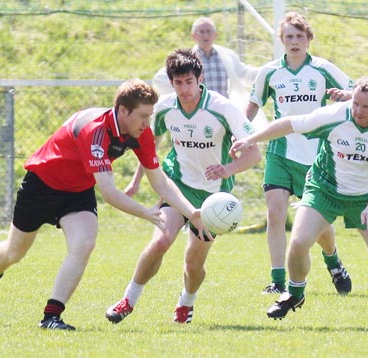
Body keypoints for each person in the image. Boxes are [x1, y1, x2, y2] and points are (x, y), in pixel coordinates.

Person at [0, 79, 212, 331]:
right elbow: (109, 192)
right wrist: (147, 213)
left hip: (77, 190)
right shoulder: (95, 130)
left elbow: (160, 182)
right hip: (42, 185)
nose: (147, 123)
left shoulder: (140, 133)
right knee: (14, 252)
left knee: (84, 243)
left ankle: (51, 316)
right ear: (123, 110)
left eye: (149, 116)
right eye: (143, 116)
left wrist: (192, 213)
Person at [231, 76, 368, 329]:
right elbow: (290, 124)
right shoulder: (335, 114)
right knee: (299, 242)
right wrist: (251, 139)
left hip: (366, 196)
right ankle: (295, 293)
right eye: (355, 103)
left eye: (366, 107)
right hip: (324, 189)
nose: (358, 111)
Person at [105, 48, 261, 324]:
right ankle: (128, 300)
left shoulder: (223, 108)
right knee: (161, 240)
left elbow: (254, 153)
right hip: (177, 184)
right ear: (171, 82)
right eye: (178, 83)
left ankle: (186, 304)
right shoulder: (164, 108)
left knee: (193, 263)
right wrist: (136, 180)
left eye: (189, 81)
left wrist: (227, 168)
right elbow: (148, 147)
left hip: (213, 197)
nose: (184, 88)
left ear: (199, 78)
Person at [245, 11, 354, 295]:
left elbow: (356, 91)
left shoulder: (322, 68)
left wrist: (346, 96)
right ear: (281, 40)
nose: (294, 41)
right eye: (289, 36)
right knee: (275, 213)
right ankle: (278, 281)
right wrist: (243, 133)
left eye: (299, 36)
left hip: (315, 156)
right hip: (280, 153)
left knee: (318, 225)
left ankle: (333, 261)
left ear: (308, 39)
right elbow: (254, 104)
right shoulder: (269, 72)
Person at [152, 16, 266, 128]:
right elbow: (160, 80)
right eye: (201, 32)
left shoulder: (227, 56)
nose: (205, 35)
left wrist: (266, 71)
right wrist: (182, 91)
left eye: (208, 31)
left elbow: (244, 72)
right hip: (197, 112)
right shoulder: (187, 59)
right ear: (193, 36)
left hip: (222, 112)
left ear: (215, 35)